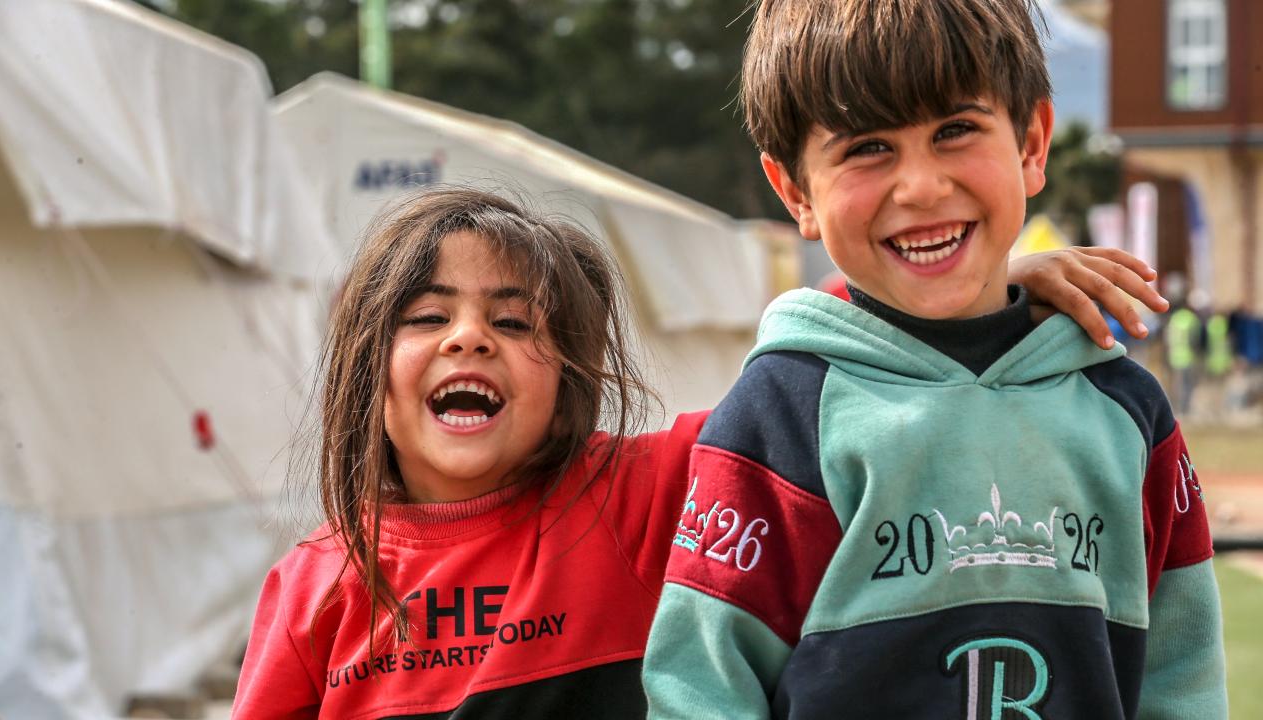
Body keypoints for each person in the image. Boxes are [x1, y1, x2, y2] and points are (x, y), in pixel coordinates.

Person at [230, 182, 1167, 718]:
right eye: (428, 317)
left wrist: (974, 289)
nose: (469, 337)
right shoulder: (313, 587)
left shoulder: (634, 494)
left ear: (569, 375)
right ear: (366, 366)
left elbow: (815, 382)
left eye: (514, 322)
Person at [642, 1, 1226, 718]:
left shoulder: (1128, 413)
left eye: (954, 131)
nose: (921, 187)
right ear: (796, 191)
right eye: (867, 147)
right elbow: (701, 688)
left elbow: (1183, 680)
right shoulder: (780, 418)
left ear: (1031, 144)